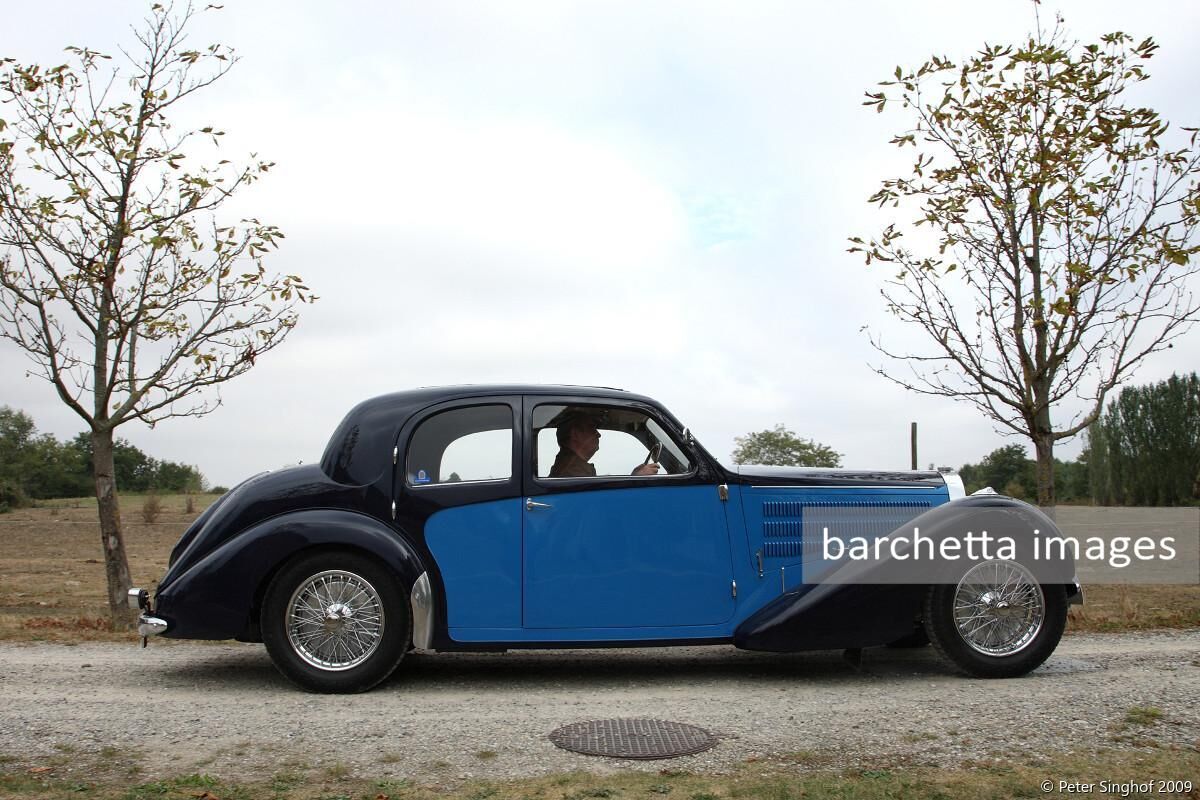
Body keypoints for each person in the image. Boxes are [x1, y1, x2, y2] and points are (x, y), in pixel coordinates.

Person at [548, 412, 661, 478]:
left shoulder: (571, 467)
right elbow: (598, 504)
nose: (598, 434)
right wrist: (636, 478)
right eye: (591, 428)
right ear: (576, 434)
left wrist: (633, 477)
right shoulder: (571, 471)